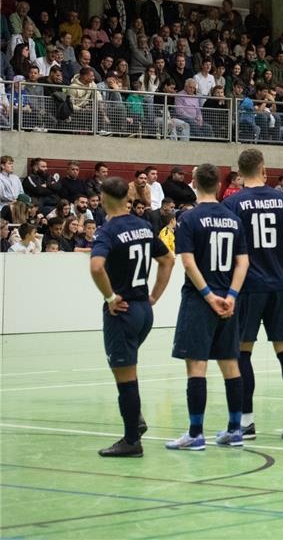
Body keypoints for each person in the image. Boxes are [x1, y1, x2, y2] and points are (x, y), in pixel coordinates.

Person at [225, 149, 283, 441]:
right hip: (281, 285)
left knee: (242, 352)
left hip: (248, 287)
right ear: (263, 168)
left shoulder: (233, 202)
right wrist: (281, 262)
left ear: (240, 171)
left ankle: (246, 422)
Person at [165, 163, 249, 451]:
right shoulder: (233, 218)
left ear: (194, 183)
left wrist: (208, 295)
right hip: (228, 302)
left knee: (196, 366)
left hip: (199, 302)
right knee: (230, 364)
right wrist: (232, 296)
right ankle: (235, 429)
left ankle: (196, 433)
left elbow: (187, 262)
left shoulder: (189, 218)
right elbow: (243, 262)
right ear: (217, 185)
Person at [89, 176, 174, 457]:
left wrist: (110, 297)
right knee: (121, 366)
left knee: (126, 376)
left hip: (122, 312)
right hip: (143, 310)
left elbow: (97, 267)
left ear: (103, 199)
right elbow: (167, 260)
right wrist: (154, 296)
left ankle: (131, 440)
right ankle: (135, 419)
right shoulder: (144, 226)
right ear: (128, 197)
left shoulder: (107, 231)